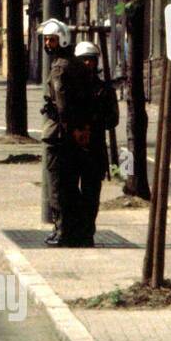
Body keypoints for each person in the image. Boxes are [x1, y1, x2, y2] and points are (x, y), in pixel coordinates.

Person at [40, 18, 93, 247]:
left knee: (57, 186)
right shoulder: (74, 63)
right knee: (70, 185)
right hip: (71, 133)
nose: (48, 44)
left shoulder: (60, 67)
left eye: (51, 39)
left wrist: (67, 127)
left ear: (61, 39)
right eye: (46, 40)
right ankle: (74, 231)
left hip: (59, 135)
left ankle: (63, 231)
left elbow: (62, 103)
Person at [75, 41, 118, 243]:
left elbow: (113, 119)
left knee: (92, 194)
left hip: (95, 148)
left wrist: (94, 120)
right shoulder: (70, 88)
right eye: (83, 60)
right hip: (73, 148)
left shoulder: (104, 89)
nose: (87, 64)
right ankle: (72, 229)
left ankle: (87, 232)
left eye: (90, 60)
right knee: (71, 192)